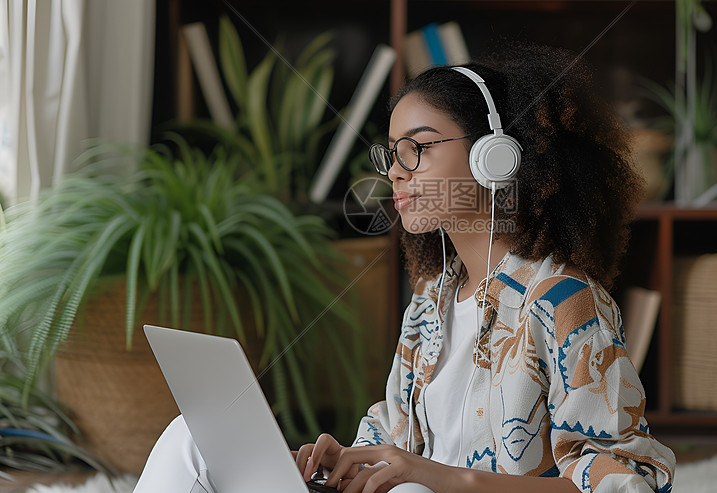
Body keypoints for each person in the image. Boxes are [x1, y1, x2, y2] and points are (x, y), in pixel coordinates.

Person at [134, 42, 675, 493]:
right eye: (392, 153)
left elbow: (628, 482)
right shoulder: (432, 302)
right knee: (192, 437)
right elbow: (396, 443)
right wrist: (345, 457)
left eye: (417, 149)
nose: (396, 173)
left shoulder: (564, 301)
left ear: (496, 155)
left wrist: (441, 478)